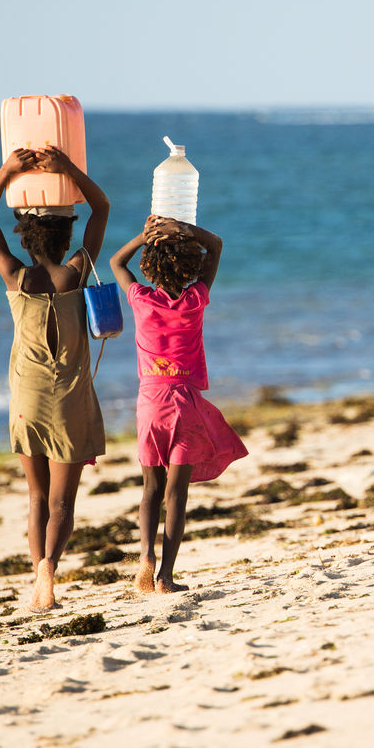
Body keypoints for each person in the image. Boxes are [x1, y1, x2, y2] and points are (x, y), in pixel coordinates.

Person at [0, 147, 110, 612]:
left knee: (35, 497)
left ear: (26, 240)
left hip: (27, 398)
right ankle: (51, 567)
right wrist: (69, 170)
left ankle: (37, 579)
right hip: (70, 398)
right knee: (62, 504)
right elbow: (103, 208)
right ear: (67, 235)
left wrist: (9, 171)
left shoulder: (16, 276)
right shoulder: (76, 272)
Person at [111, 215, 248, 593]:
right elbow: (216, 244)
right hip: (184, 405)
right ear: (190, 267)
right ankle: (166, 577)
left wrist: (144, 235)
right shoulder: (194, 300)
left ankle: (145, 558)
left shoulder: (140, 300)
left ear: (150, 269)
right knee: (176, 494)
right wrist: (184, 230)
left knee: (150, 489)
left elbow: (116, 263)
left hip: (149, 403)